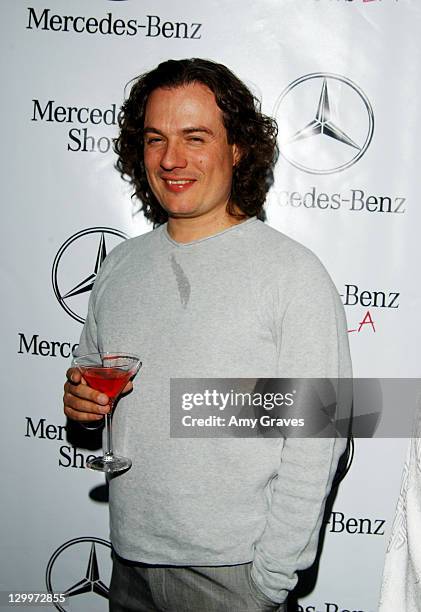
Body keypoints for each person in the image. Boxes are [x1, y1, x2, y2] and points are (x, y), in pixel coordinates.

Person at [63, 58, 352, 612]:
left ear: (237, 148)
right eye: (155, 139)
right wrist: (79, 401)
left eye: (194, 138)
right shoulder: (119, 267)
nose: (171, 160)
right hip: (128, 563)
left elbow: (322, 435)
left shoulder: (292, 273)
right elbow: (90, 379)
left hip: (234, 578)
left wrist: (268, 579)